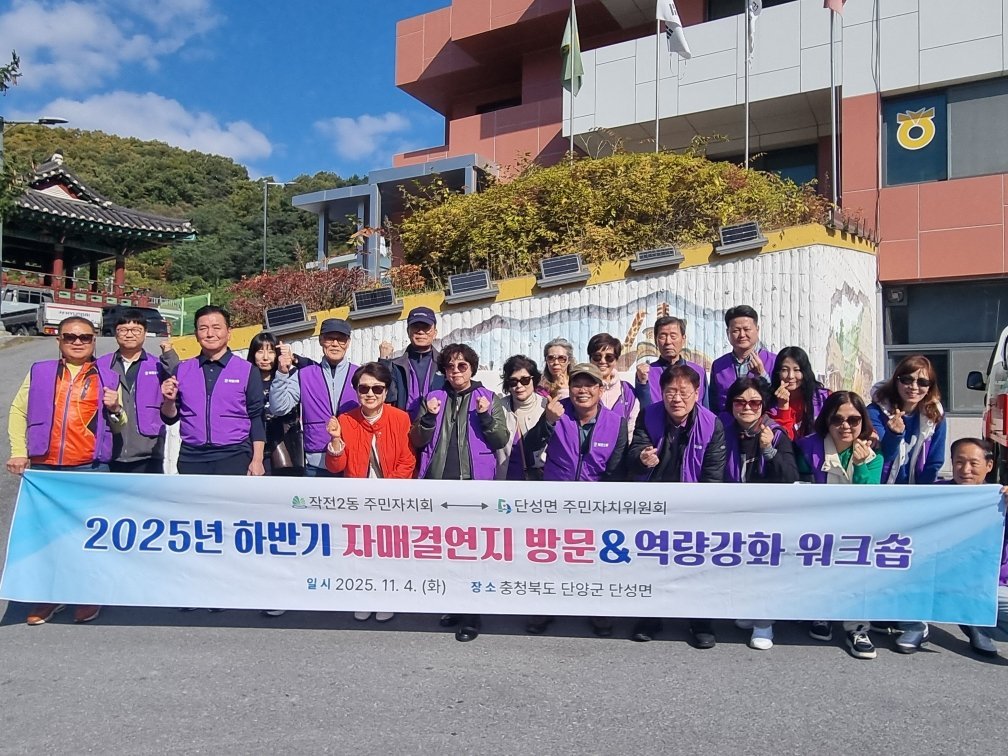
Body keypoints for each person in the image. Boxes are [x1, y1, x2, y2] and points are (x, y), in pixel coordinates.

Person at [6, 315, 127, 625]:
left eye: (84, 337)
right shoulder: (40, 372)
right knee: (48, 536)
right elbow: (18, 411)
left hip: (90, 467)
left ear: (94, 341)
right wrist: (19, 451)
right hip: (46, 468)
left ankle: (87, 594)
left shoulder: (107, 376)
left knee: (89, 535)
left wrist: (115, 409)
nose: (77, 342)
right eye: (70, 336)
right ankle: (50, 595)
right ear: (59, 340)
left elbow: (120, 424)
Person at [410, 343, 510, 642]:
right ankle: (455, 605)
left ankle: (471, 615)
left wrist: (486, 416)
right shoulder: (433, 398)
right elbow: (416, 440)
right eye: (450, 366)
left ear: (472, 369)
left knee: (472, 553)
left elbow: (500, 439)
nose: (456, 371)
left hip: (473, 488)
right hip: (439, 484)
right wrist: (428, 418)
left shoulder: (488, 398)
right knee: (447, 553)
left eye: (462, 366)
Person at [522, 362, 627, 637]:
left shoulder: (617, 423)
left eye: (589, 385)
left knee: (595, 559)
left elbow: (616, 469)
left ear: (600, 388)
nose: (582, 390)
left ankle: (598, 610)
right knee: (550, 557)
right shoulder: (557, 411)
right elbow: (529, 447)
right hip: (555, 500)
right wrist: (548, 421)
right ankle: (544, 608)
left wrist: (605, 505)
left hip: (595, 503)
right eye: (577, 384)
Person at [627, 363, 726, 648]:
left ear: (697, 392)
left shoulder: (712, 424)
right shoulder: (649, 415)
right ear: (661, 392)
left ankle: (700, 620)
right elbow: (635, 452)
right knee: (653, 563)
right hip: (655, 503)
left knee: (695, 565)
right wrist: (641, 458)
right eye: (671, 391)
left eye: (684, 392)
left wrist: (701, 512)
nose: (677, 398)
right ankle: (651, 616)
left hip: (693, 506)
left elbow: (713, 475)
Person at [866, 355, 947, 653]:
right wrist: (894, 433)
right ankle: (886, 612)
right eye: (908, 379)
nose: (914, 387)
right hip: (882, 496)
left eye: (922, 381)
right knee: (882, 555)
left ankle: (916, 621)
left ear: (930, 386)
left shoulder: (935, 416)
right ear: (896, 380)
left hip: (914, 497)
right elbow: (879, 458)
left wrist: (919, 500)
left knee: (912, 557)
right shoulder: (876, 411)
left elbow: (934, 462)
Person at [325, 362, 416, 624]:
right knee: (362, 551)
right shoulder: (346, 420)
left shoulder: (400, 418)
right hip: (358, 499)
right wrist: (335, 440)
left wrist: (387, 492)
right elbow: (336, 467)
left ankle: (387, 596)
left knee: (388, 551)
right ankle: (364, 596)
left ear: (386, 392)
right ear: (356, 391)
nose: (370, 393)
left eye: (377, 388)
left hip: (391, 497)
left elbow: (408, 460)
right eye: (364, 388)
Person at [795, 391, 882, 659]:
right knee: (819, 566)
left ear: (863, 422)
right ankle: (820, 613)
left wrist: (861, 466)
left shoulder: (874, 457)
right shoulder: (806, 448)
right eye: (837, 419)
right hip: (816, 526)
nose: (845, 426)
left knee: (857, 570)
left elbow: (869, 500)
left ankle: (857, 628)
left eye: (853, 420)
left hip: (856, 527)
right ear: (827, 421)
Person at [720, 376, 798, 650]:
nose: (747, 407)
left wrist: (769, 450)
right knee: (740, 565)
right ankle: (748, 610)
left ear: (763, 405)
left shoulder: (775, 433)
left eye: (754, 402)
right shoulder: (722, 431)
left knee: (763, 567)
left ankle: (764, 623)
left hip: (768, 515)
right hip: (733, 512)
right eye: (740, 402)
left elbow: (790, 477)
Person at [160, 305, 266, 476]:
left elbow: (257, 418)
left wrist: (257, 460)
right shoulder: (182, 370)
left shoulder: (246, 370)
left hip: (234, 455)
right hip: (191, 457)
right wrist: (169, 401)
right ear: (196, 335)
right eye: (203, 328)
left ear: (229, 333)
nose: (210, 334)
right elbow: (170, 418)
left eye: (216, 327)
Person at [269, 318, 358, 477]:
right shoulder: (303, 375)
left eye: (341, 339)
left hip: (354, 461)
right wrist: (282, 373)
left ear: (348, 342)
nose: (335, 344)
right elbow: (279, 408)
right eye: (329, 338)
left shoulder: (360, 375)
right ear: (321, 340)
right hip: (316, 465)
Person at [945, 438, 1008, 657]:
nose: (965, 470)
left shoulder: (1000, 499)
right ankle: (914, 625)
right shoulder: (934, 494)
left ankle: (977, 624)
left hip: (987, 582)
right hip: (939, 578)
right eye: (959, 462)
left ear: (989, 465)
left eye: (973, 463)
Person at [96, 309, 179, 473]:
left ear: (145, 333)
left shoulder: (157, 365)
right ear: (115, 333)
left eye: (136, 330)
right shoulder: (102, 364)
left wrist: (169, 354)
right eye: (123, 330)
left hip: (148, 452)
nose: (129, 334)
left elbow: (178, 375)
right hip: (109, 450)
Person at [247, 331, 302, 477]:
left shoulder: (290, 376)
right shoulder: (245, 379)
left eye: (271, 352)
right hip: (254, 449)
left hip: (286, 447)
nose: (265, 357)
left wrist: (291, 360)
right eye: (260, 351)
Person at [378, 306, 444, 420]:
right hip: (404, 426)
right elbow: (385, 397)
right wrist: (384, 361)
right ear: (408, 332)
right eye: (415, 327)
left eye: (426, 327)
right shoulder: (395, 365)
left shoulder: (446, 364)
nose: (420, 331)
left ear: (435, 332)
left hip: (438, 425)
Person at [708, 306, 777, 413]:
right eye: (736, 330)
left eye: (747, 329)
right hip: (727, 422)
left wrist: (762, 374)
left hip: (763, 422)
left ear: (757, 330)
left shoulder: (774, 361)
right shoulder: (719, 365)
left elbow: (779, 399)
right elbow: (714, 405)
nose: (742, 335)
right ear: (728, 332)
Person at [634, 316, 709, 410]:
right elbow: (644, 408)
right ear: (656, 340)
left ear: (683, 339)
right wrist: (642, 383)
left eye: (673, 336)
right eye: (662, 336)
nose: (668, 342)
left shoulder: (698, 371)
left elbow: (705, 409)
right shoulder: (646, 373)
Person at [501, 355, 549, 481]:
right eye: (513, 381)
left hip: (543, 478)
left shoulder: (546, 406)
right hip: (509, 478)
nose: (519, 386)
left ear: (534, 380)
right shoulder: (499, 407)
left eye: (525, 380)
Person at [769, 346, 830, 441]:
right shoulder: (770, 403)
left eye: (797, 370)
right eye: (784, 370)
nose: (790, 376)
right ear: (778, 373)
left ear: (805, 372)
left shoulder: (823, 398)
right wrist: (783, 408)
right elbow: (783, 440)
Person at [587, 332, 639, 434]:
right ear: (590, 359)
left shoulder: (627, 391)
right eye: (597, 356)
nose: (602, 361)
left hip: (621, 443)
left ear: (616, 360)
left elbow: (632, 428)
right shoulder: (582, 388)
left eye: (609, 357)